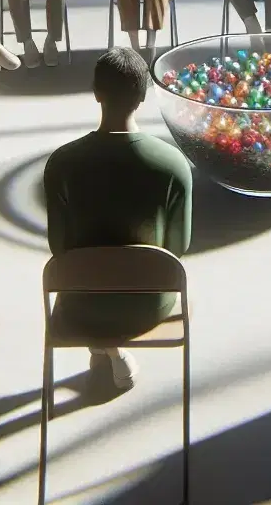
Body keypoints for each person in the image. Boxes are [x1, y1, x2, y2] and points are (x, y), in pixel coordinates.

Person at [43, 48, 194, 393]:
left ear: (96, 93)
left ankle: (104, 346)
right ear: (143, 97)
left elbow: (60, 246)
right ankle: (110, 348)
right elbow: (178, 247)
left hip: (81, 302)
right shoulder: (173, 165)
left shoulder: (62, 164)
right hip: (149, 303)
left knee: (87, 280)